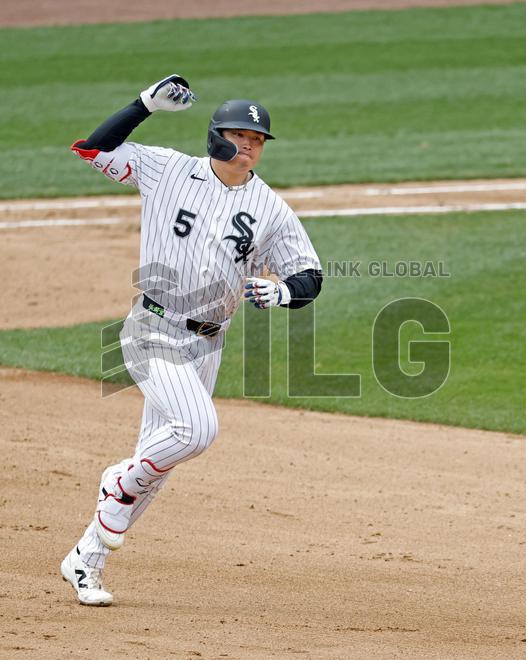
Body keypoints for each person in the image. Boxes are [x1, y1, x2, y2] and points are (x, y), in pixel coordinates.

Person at [60, 74, 323, 605]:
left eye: (257, 141)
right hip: (151, 328)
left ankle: (86, 559)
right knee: (197, 430)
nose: (249, 146)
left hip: (207, 344)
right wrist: (143, 105)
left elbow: (310, 275)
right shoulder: (166, 169)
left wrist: (280, 295)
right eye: (240, 136)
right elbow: (92, 148)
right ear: (215, 135)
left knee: (157, 466)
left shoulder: (270, 208)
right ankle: (115, 483)